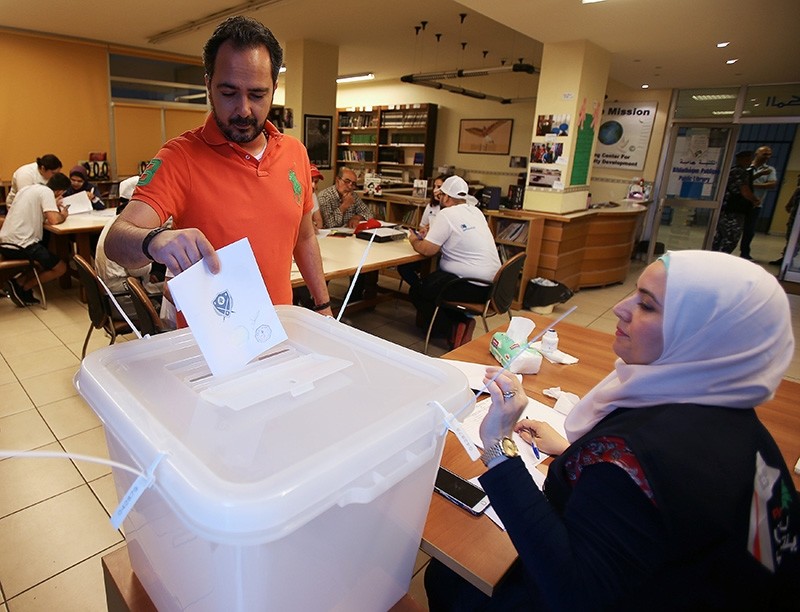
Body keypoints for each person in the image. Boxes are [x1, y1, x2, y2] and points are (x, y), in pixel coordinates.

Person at [425, 250, 800, 610]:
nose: (621, 308)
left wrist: (497, 445)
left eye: (647, 304)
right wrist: (573, 452)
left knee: (451, 576)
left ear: (705, 336)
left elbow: (570, 592)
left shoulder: (637, 456)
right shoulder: (732, 414)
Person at [103, 16, 331, 318]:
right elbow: (116, 240)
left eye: (257, 94)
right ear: (208, 84)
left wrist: (324, 306)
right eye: (228, 93)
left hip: (279, 330)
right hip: (213, 343)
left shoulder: (294, 152)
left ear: (274, 88)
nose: (244, 109)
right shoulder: (179, 157)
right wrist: (154, 240)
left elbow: (303, 237)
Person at [408, 174, 501, 348]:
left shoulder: (446, 214)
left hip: (468, 285)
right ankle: (457, 323)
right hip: (492, 286)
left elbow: (427, 250)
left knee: (418, 290)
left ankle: (454, 326)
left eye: (441, 193)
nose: (438, 196)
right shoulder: (476, 211)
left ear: (447, 197)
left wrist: (413, 239)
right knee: (433, 283)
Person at [1, 173, 71, 306]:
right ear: (60, 191)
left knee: (43, 259)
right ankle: (23, 288)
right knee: (61, 268)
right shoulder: (47, 192)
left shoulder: (27, 189)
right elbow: (54, 220)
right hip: (21, 245)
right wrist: (63, 215)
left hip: (5, 242)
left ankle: (18, 282)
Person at [397, 174, 446, 287]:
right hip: (426, 245)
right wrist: (423, 230)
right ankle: (420, 287)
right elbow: (422, 226)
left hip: (439, 250)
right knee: (404, 267)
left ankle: (424, 290)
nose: (435, 190)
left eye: (439, 187)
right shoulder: (431, 206)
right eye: (434, 186)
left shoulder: (450, 210)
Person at [712, 150, 759, 253]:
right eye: (749, 159)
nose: (750, 161)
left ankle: (713, 257)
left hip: (726, 209)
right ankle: (721, 260)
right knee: (731, 238)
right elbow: (745, 191)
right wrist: (755, 200)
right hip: (733, 211)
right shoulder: (740, 172)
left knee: (720, 236)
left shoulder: (731, 170)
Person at [740, 145, 778, 260]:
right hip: (740, 203)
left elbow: (772, 184)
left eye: (769, 154)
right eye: (764, 154)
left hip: (755, 205)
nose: (767, 156)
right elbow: (740, 181)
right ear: (757, 154)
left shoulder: (769, 170)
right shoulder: (746, 167)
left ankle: (745, 253)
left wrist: (750, 185)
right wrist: (754, 184)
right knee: (733, 228)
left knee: (749, 230)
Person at [770, 176, 800, 266]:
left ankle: (789, 259)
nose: (798, 181)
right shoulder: (798, 191)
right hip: (794, 221)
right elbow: (788, 205)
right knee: (791, 240)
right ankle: (786, 259)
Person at [309, 163, 324, 232]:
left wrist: (314, 225)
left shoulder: (313, 195)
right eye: (310, 180)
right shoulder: (295, 196)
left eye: (316, 182)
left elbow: (319, 221)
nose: (313, 185)